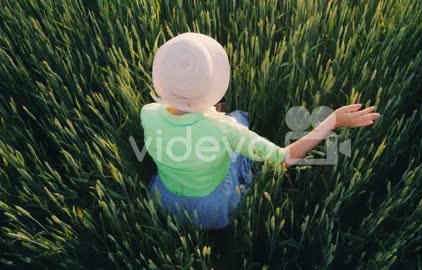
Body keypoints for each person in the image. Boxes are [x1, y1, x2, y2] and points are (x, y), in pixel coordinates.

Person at [141, 32, 380, 230]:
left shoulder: (148, 113)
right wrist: (332, 120)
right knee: (239, 120)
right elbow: (285, 158)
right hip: (211, 211)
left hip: (164, 200)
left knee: (232, 127)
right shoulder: (223, 127)